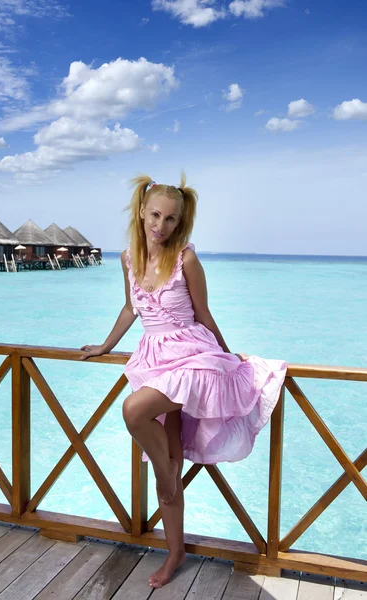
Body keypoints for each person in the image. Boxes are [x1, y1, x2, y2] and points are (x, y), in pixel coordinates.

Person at [80, 173, 287, 589]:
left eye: (171, 219)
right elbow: (129, 310)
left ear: (181, 222)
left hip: (191, 356)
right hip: (153, 359)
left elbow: (204, 314)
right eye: (155, 215)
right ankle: (175, 550)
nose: (161, 225)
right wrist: (105, 346)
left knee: (134, 411)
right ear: (141, 212)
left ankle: (165, 473)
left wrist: (230, 359)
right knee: (167, 452)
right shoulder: (127, 259)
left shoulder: (186, 259)